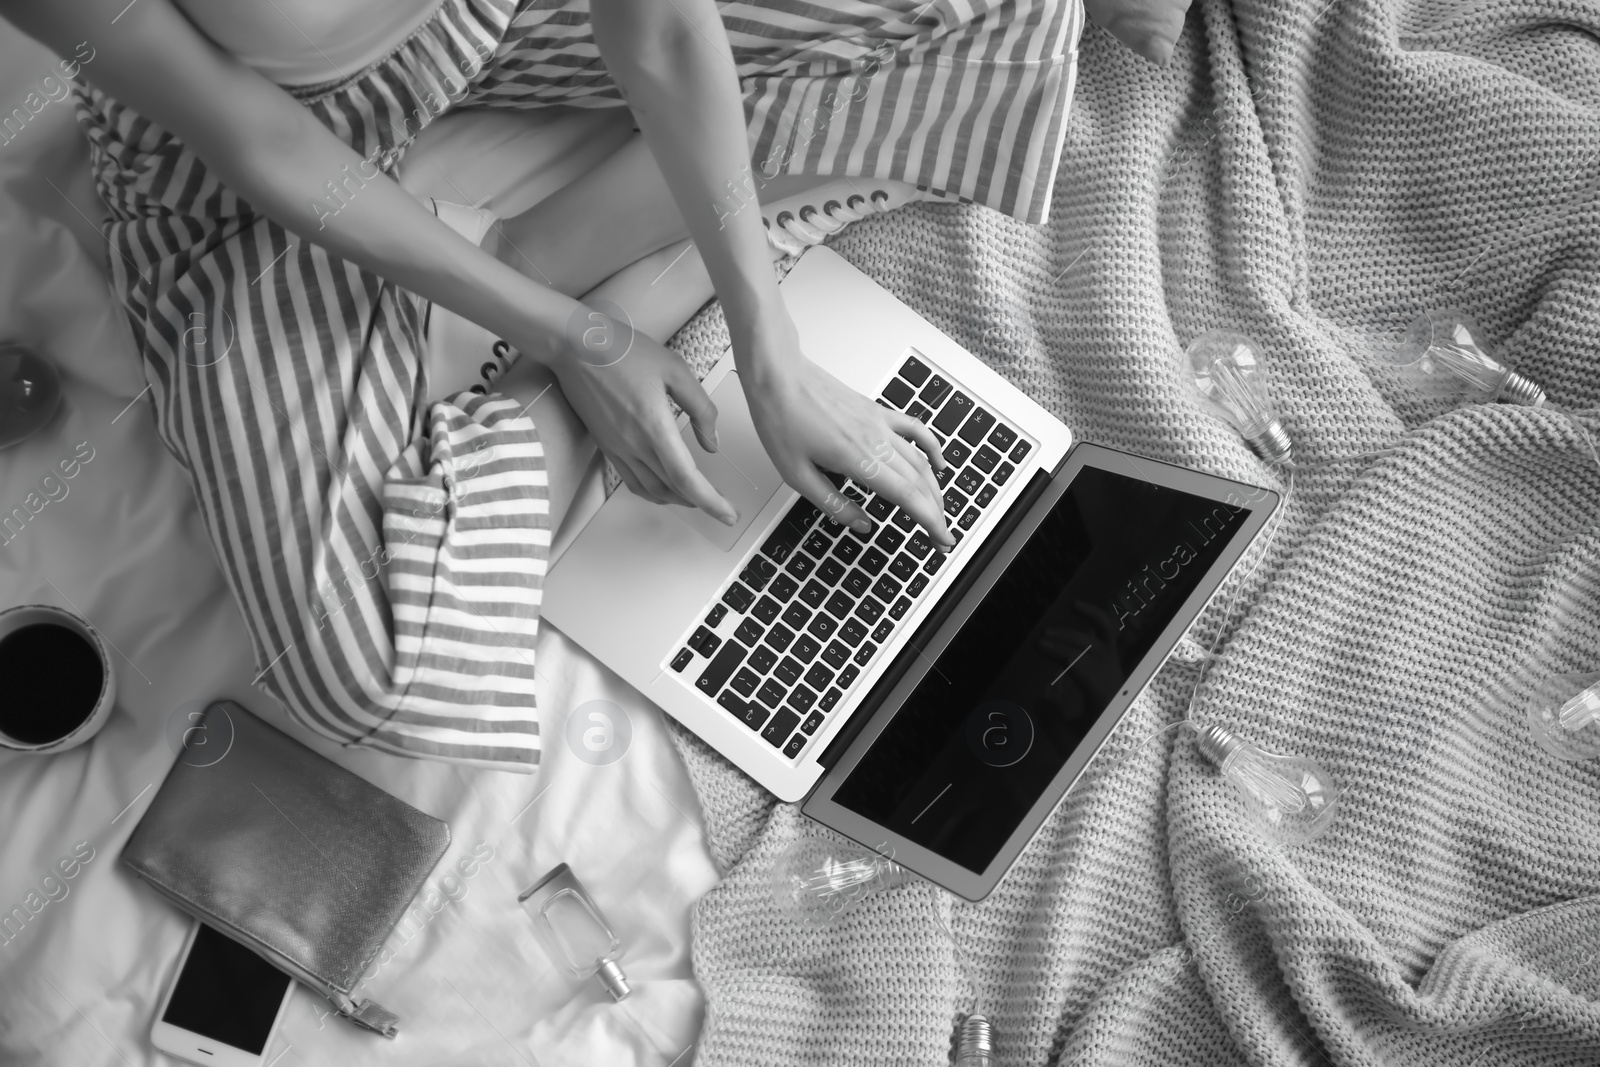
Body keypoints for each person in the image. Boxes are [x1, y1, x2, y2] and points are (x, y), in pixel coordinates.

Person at [0, 0, 1083, 771]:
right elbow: (265, 149)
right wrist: (584, 343)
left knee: (993, 8)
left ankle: (578, 267)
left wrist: (768, 342)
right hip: (248, 171)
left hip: (486, 21)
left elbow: (657, 23)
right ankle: (622, 295)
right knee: (378, 671)